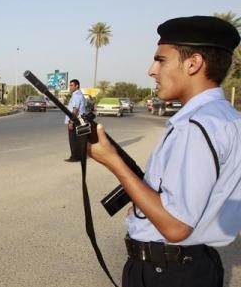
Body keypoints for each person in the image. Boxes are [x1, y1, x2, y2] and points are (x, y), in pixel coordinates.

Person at [87, 16, 240, 287]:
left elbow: (175, 226)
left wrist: (111, 160)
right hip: (194, 266)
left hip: (166, 273)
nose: (151, 70)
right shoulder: (228, 117)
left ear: (193, 63)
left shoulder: (195, 126)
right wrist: (143, 204)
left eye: (161, 60)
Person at [64, 79, 86, 162]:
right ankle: (79, 156)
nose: (70, 87)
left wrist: (71, 122)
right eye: (70, 85)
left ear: (77, 86)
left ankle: (75, 157)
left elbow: (75, 109)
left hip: (75, 121)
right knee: (78, 139)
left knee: (73, 140)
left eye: (71, 85)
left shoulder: (76, 95)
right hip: (80, 120)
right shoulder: (80, 95)